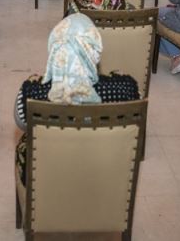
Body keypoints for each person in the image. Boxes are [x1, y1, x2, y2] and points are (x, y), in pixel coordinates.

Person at [13, 13, 140, 183]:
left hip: (51, 181)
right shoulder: (126, 90)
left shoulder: (31, 93)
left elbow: (21, 123)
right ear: (94, 50)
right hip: (105, 181)